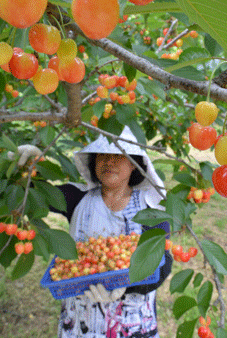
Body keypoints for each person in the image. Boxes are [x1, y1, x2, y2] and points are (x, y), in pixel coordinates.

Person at [12, 126, 172, 338]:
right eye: (102, 156)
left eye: (118, 156)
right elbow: (32, 195)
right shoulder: (77, 197)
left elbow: (164, 263)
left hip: (132, 327)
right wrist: (28, 166)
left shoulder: (151, 207)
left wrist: (127, 286)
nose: (109, 161)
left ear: (134, 164)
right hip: (80, 325)